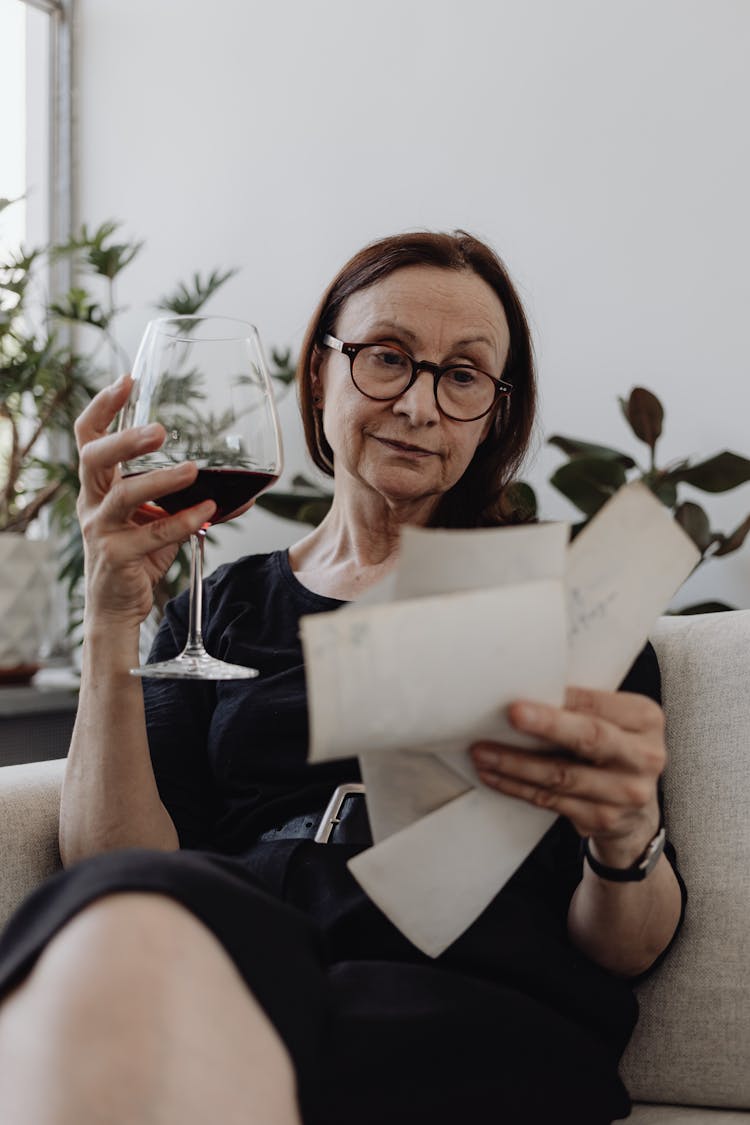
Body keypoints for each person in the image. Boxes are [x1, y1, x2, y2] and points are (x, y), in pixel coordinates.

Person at [0, 231, 685, 1125]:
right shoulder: (227, 606)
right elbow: (118, 859)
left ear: (493, 414)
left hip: (468, 993)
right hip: (256, 948)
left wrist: (627, 832)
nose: (419, 403)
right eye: (387, 358)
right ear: (321, 373)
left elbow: (626, 949)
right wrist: (110, 616)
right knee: (116, 920)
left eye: (463, 375)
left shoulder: (564, 601)